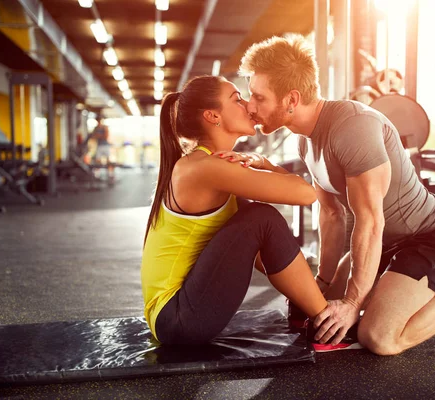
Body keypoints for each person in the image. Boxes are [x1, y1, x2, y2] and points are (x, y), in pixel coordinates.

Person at [238, 35, 435, 355]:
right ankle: (412, 289)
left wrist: (353, 303)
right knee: (316, 310)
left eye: (258, 97)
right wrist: (324, 282)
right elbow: (331, 215)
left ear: (291, 98)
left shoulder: (351, 126)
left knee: (380, 337)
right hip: (387, 241)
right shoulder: (305, 140)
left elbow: (369, 220)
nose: (250, 105)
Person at [140, 75, 330, 345]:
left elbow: (264, 250)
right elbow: (306, 193)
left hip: (176, 316)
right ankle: (328, 322)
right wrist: (263, 163)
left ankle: (309, 310)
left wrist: (302, 292)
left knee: (256, 217)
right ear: (212, 116)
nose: (248, 106)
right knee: (262, 218)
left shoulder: (208, 163)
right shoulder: (205, 168)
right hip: (178, 319)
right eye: (237, 99)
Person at [91, 118, 114, 184]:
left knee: (108, 161)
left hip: (106, 146)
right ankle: (97, 175)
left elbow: (106, 136)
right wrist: (99, 136)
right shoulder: (96, 128)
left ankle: (110, 174)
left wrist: (99, 136)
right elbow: (94, 136)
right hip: (99, 146)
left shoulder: (105, 127)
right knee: (98, 160)